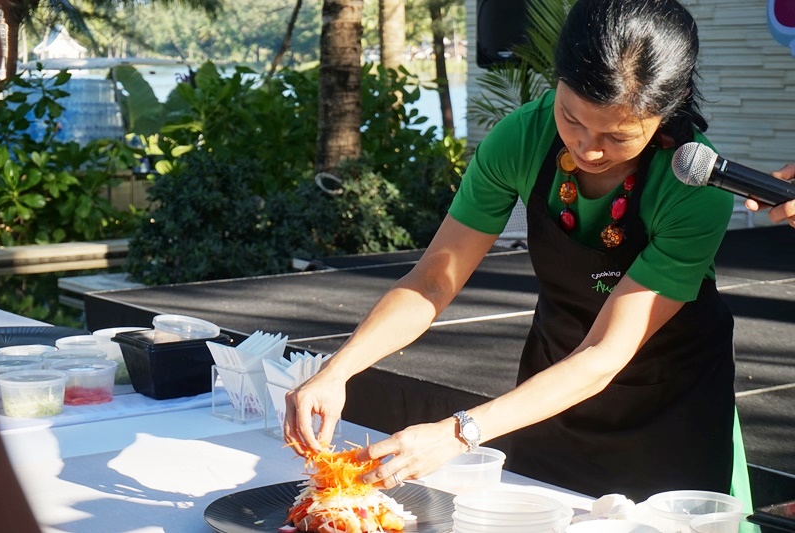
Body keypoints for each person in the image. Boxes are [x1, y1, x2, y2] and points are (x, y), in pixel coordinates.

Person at [285, 0, 752, 504]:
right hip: (547, 401)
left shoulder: (695, 187)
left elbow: (602, 354)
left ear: (671, 104)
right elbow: (432, 281)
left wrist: (457, 433)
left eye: (618, 136)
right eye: (571, 118)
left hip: (670, 411)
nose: (588, 150)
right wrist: (338, 369)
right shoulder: (522, 139)